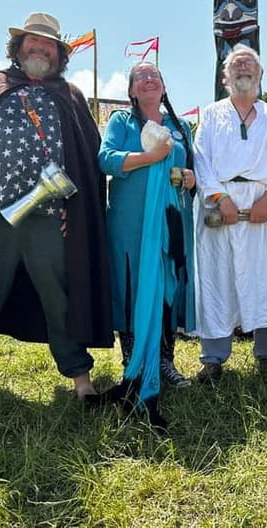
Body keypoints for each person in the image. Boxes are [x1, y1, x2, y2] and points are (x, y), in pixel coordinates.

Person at [0, 12, 113, 409]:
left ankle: (80, 379)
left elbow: (87, 160)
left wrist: (76, 209)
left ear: (59, 55)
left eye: (48, 45)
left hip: (48, 219)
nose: (40, 48)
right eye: (33, 42)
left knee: (59, 298)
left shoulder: (70, 95)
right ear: (18, 48)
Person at [93, 62, 196, 428]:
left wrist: (189, 177)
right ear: (133, 91)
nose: (149, 80)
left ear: (164, 87)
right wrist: (150, 158)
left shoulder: (180, 127)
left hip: (171, 220)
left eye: (155, 76)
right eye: (141, 78)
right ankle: (133, 361)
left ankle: (164, 360)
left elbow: (194, 172)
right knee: (133, 287)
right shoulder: (121, 123)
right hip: (130, 225)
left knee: (168, 287)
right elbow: (105, 159)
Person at [193, 44, 267, 381]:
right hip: (220, 205)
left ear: (261, 75)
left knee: (264, 278)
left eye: (249, 63)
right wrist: (219, 197)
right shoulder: (210, 114)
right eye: (236, 64)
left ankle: (266, 355)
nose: (243, 68)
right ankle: (213, 357)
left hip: (261, 206)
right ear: (225, 76)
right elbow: (201, 160)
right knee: (216, 279)